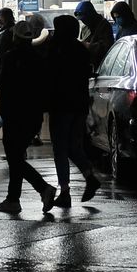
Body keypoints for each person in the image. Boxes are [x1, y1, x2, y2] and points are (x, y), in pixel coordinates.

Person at [0, 15, 57, 214]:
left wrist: (3, 114)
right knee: (16, 157)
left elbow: (4, 87)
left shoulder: (9, 58)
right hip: (33, 117)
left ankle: (43, 188)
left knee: (15, 159)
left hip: (14, 116)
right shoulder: (40, 59)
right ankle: (13, 199)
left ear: (15, 37)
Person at [41, 13, 101, 207]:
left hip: (61, 106)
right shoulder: (80, 49)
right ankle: (89, 175)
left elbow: (48, 76)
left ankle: (65, 191)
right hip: (80, 105)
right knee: (73, 146)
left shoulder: (55, 49)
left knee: (60, 149)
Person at [74, 1, 114, 68]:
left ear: (90, 15)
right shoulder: (85, 27)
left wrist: (89, 46)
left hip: (101, 65)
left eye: (85, 19)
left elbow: (107, 47)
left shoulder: (104, 25)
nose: (84, 22)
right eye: (82, 20)